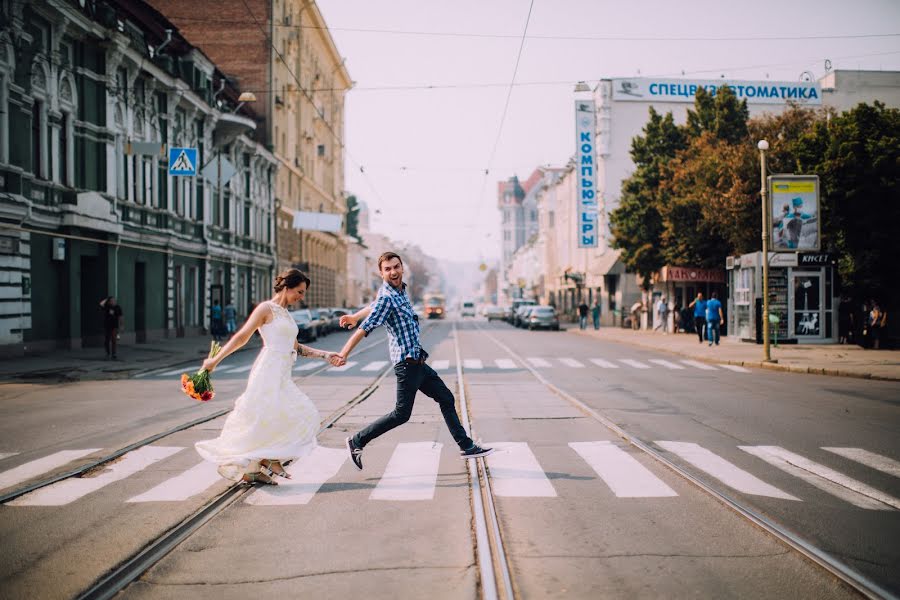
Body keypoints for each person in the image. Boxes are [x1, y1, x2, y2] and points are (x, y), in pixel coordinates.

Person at [336, 252, 493, 471]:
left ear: (402, 268)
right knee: (401, 414)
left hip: (418, 361)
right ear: (381, 273)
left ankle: (466, 446)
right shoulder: (387, 297)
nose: (393, 272)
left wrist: (354, 315)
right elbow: (365, 328)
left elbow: (373, 305)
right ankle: (357, 441)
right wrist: (344, 353)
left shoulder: (398, 292)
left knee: (446, 398)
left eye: (396, 267)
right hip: (406, 364)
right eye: (388, 269)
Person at [195, 269, 341, 485]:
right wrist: (214, 361)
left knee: (295, 414)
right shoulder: (266, 309)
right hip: (268, 370)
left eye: (303, 293)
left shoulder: (287, 314)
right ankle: (265, 460)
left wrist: (325, 355)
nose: (302, 297)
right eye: (299, 292)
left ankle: (263, 462)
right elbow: (242, 337)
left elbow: (295, 347)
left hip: (282, 373)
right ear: (287, 287)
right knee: (261, 418)